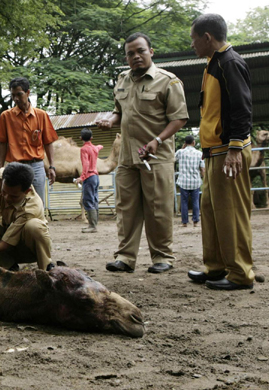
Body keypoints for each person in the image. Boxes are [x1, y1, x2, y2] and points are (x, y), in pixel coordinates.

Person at [96, 32, 188, 274]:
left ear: (151, 51)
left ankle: (163, 257)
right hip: (127, 156)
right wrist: (110, 121)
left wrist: (158, 140)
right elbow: (119, 113)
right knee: (125, 208)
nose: (135, 56)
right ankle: (125, 257)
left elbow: (179, 119)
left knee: (158, 207)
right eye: (130, 54)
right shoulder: (122, 80)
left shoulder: (169, 81)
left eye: (140, 51)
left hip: (155, 156)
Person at [187, 13, 255, 290]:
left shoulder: (230, 62)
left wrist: (236, 148)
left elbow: (242, 107)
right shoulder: (213, 63)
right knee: (211, 211)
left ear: (207, 38)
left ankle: (240, 274)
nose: (192, 45)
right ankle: (215, 267)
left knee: (231, 213)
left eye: (194, 39)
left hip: (229, 150)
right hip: (214, 152)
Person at [0, 77, 59, 207]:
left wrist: (52, 166)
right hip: (15, 167)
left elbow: (48, 142)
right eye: (13, 95)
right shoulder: (6, 117)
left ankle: (38, 226)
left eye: (19, 94)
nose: (16, 99)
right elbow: (2, 143)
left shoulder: (41, 115)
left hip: (36, 166)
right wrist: (1, 167)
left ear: (28, 93)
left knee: (38, 204)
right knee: (14, 203)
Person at [75, 128, 104, 233]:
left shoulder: (83, 149)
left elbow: (86, 164)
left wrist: (81, 177)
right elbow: (100, 146)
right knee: (94, 200)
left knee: (87, 200)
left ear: (81, 138)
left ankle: (92, 226)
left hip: (89, 177)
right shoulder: (95, 148)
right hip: (96, 177)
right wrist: (100, 146)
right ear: (91, 138)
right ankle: (94, 224)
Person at [175, 135, 205, 227]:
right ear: (193, 142)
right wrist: (203, 177)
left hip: (183, 182)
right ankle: (195, 221)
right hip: (195, 182)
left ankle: (184, 222)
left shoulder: (180, 152)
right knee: (195, 201)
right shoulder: (199, 153)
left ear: (185, 142)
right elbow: (202, 169)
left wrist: (182, 148)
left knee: (184, 202)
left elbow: (173, 159)